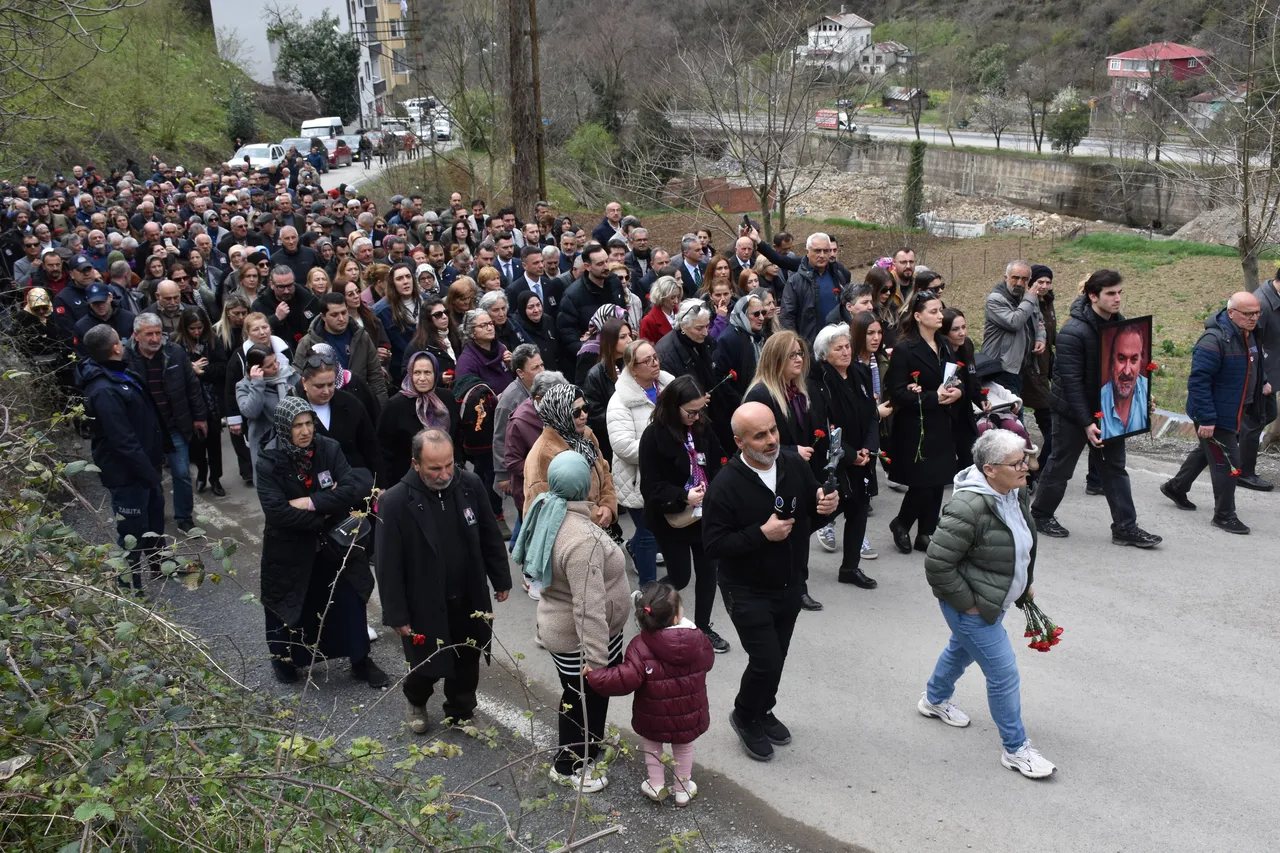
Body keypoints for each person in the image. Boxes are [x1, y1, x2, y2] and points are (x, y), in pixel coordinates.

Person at [703, 402, 838, 762]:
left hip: (790, 583)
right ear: (739, 441)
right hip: (745, 588)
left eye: (773, 431)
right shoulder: (725, 485)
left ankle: (764, 709)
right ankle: (745, 715)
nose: (771, 440)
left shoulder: (793, 464)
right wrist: (761, 534)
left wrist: (827, 507)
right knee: (765, 660)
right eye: (759, 436)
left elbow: (810, 511)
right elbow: (714, 545)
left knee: (778, 657)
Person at [920, 429, 1056, 780]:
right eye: (1017, 463)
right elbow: (937, 564)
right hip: (973, 606)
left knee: (960, 650)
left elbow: (1016, 544)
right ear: (990, 469)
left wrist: (1022, 585)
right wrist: (969, 605)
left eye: (1024, 460)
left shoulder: (1014, 491)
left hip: (993, 598)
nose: (1026, 467)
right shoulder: (967, 507)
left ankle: (933, 699)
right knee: (1003, 675)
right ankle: (1016, 750)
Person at [376, 428, 511, 730]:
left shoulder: (471, 485)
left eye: (449, 465)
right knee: (426, 664)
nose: (444, 474)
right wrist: (396, 613)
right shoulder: (395, 502)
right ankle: (416, 700)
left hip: (468, 597)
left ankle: (461, 710)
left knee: (468, 658)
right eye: (435, 468)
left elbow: (490, 537)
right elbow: (387, 565)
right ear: (416, 464)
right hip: (423, 603)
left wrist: (500, 579)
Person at [513, 451, 631, 793]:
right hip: (584, 640)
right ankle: (571, 764)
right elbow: (588, 607)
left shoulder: (547, 508)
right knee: (582, 698)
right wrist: (597, 663)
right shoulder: (582, 540)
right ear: (585, 486)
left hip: (566, 628)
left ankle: (588, 750)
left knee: (579, 697)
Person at [255, 397, 387, 688]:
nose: (304, 431)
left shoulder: (329, 448)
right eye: (296, 426)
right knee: (287, 605)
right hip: (289, 549)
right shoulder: (269, 461)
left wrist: (311, 502)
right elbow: (277, 512)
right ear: (282, 428)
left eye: (308, 423)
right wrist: (324, 513)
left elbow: (352, 488)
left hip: (335, 543)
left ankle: (360, 659)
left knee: (351, 596)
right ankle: (285, 661)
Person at [1031, 270, 1162, 548]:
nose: (1117, 299)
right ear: (1093, 296)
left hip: (1107, 410)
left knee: (1115, 468)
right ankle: (1041, 515)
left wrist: (1142, 396)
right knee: (1061, 466)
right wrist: (1086, 422)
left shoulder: (1121, 325)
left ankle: (1125, 528)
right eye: (1111, 294)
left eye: (1120, 293)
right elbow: (1071, 383)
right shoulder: (1072, 333)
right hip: (1071, 412)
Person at [587, 583, 714, 806]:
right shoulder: (699, 639)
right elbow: (708, 662)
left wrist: (595, 676)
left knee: (653, 744)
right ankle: (683, 788)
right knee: (683, 746)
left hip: (653, 713)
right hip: (689, 711)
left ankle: (656, 785)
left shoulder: (639, 645)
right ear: (676, 618)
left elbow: (625, 679)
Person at [1162, 292, 1269, 535]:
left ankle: (1176, 487)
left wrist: (1262, 380)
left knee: (1207, 451)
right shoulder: (1212, 340)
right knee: (1229, 463)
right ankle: (1224, 515)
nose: (1254, 318)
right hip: (1216, 414)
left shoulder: (1249, 334)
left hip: (1236, 409)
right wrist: (1208, 419)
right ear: (1231, 313)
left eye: (1257, 313)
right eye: (1248, 314)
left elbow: (1253, 363)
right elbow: (1199, 382)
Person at [639, 375, 730, 652]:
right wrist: (683, 496)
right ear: (673, 406)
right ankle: (647, 603)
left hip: (704, 516)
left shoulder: (702, 427)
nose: (696, 416)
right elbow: (651, 487)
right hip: (672, 519)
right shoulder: (654, 436)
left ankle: (702, 628)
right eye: (690, 411)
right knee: (680, 577)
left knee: (708, 572)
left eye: (700, 410)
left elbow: (720, 459)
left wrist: (717, 484)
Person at [79, 325, 169, 591]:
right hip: (128, 475)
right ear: (116, 347)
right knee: (132, 532)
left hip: (145, 469)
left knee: (154, 521)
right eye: (121, 339)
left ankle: (160, 563)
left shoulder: (119, 374)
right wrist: (147, 472)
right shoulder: (104, 389)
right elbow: (123, 440)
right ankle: (130, 585)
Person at [884, 290, 962, 555]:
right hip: (916, 425)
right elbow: (896, 392)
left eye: (941, 310)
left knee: (938, 480)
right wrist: (932, 397)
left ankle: (926, 532)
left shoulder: (944, 345)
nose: (940, 315)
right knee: (923, 482)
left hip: (943, 420)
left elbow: (953, 377)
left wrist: (957, 391)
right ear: (917, 316)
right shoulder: (906, 349)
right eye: (934, 311)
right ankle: (902, 522)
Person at [808, 323, 879, 589]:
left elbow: (872, 413)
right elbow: (824, 427)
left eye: (848, 346)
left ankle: (850, 567)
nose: (846, 352)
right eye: (839, 348)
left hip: (862, 455)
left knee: (859, 509)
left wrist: (868, 449)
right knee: (821, 514)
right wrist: (850, 455)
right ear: (825, 355)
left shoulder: (859, 373)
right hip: (835, 460)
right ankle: (795, 574)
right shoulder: (818, 384)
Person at [123, 313, 207, 533]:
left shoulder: (175, 353)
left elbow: (192, 387)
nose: (154, 338)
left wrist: (199, 418)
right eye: (148, 334)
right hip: (144, 430)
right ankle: (154, 516)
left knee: (181, 473)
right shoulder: (125, 358)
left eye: (158, 333)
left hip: (174, 425)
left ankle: (184, 518)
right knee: (151, 475)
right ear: (136, 335)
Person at [608, 340, 671, 588]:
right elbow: (623, 446)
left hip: (668, 475)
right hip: (637, 480)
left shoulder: (669, 385)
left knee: (660, 530)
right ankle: (648, 590)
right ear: (632, 369)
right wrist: (663, 449)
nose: (655, 363)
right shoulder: (620, 401)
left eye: (655, 357)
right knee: (649, 534)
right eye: (647, 360)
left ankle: (632, 548)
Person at [524, 383, 618, 531]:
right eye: (576, 412)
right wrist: (595, 515)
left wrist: (607, 505)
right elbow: (548, 507)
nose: (584, 415)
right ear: (559, 414)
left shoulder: (585, 434)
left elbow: (604, 471)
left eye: (585, 408)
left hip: (598, 526)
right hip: (569, 536)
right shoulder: (542, 454)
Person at [378, 350, 458, 487]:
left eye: (427, 372)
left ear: (435, 374)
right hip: (407, 479)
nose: (422, 378)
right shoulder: (395, 405)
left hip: (446, 474)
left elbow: (456, 436)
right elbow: (384, 449)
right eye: (417, 373)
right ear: (410, 374)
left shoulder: (447, 398)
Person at [295, 354, 380, 481]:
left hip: (353, 481)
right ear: (304, 383)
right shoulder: (292, 409)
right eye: (319, 386)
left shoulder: (351, 403)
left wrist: (379, 484)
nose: (326, 391)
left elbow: (370, 447)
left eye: (331, 384)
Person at [293, 291, 388, 401]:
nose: (341, 318)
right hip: (325, 403)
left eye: (344, 312)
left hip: (359, 403)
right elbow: (298, 379)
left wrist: (380, 408)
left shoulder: (362, 337)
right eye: (334, 315)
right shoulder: (308, 343)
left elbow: (375, 377)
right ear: (323, 316)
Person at [174, 307, 228, 497]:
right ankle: (202, 472)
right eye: (192, 329)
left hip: (211, 400)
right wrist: (191, 370)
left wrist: (202, 373)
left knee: (214, 441)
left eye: (199, 328)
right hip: (190, 402)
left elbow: (222, 367)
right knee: (196, 443)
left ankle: (215, 478)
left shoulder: (213, 340)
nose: (197, 332)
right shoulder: (176, 343)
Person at [493, 344, 544, 518]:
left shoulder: (543, 388)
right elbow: (500, 439)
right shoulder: (509, 400)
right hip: (521, 470)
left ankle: (516, 543)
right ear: (520, 373)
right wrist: (502, 476)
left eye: (542, 365)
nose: (541, 370)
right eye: (535, 368)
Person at [981, 261, 1045, 398]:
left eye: (1024, 279)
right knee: (1008, 412)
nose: (1020, 283)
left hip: (1021, 366)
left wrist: (1040, 338)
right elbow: (1014, 322)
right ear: (1006, 278)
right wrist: (1029, 299)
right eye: (1015, 278)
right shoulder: (996, 299)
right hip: (1001, 366)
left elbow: (1039, 321)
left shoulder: (1028, 296)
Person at [1020, 265, 1059, 486]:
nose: (1044, 286)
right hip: (1030, 367)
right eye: (1040, 282)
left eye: (1047, 282)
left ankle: (1039, 467)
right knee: (1052, 423)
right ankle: (1037, 470)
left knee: (1050, 422)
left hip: (1046, 365)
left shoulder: (1048, 302)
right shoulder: (1027, 303)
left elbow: (1051, 333)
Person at [1242, 269, 1280, 490]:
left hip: (1269, 373)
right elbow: (1250, 346)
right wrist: (1262, 379)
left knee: (1267, 414)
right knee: (1255, 419)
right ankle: (1244, 472)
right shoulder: (1262, 305)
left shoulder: (1274, 299)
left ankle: (1232, 454)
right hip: (1258, 375)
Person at [235, 341, 298, 471]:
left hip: (295, 441)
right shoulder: (244, 386)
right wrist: (257, 384)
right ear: (256, 369)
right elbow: (251, 412)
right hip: (266, 447)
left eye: (276, 361)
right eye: (269, 366)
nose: (276, 366)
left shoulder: (290, 375)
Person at [780, 232, 848, 344]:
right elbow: (787, 317)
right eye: (817, 251)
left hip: (836, 344)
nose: (822, 255)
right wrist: (795, 345)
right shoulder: (795, 281)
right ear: (807, 252)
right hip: (809, 347)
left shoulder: (837, 276)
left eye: (826, 251)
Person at [581, 316, 632, 461]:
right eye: (623, 337)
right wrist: (624, 417)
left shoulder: (635, 364)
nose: (629, 340)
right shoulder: (595, 375)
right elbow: (595, 414)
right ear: (611, 341)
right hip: (612, 442)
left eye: (630, 335)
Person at [942, 308, 984, 469]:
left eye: (963, 327)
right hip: (948, 410)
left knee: (970, 454)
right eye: (955, 329)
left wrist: (981, 399)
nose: (962, 333)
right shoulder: (941, 351)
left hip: (965, 409)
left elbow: (973, 375)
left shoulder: (967, 345)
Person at [372, 262, 422, 386]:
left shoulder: (426, 301)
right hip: (400, 373)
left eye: (408, 276)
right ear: (392, 283)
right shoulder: (381, 311)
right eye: (399, 278)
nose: (405, 281)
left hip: (428, 366)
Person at [1099, 324, 1150, 439]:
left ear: (1141, 361)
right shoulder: (1100, 401)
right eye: (1121, 359)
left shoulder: (1147, 392)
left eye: (1133, 360)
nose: (1127, 371)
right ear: (1112, 361)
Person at [253, 265, 321, 347]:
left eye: (290, 285)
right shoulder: (260, 304)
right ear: (272, 285)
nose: (286, 291)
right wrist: (275, 318)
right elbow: (254, 332)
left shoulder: (309, 299)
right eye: (281, 287)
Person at [511, 289, 560, 372]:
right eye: (531, 307)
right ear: (523, 309)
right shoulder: (516, 327)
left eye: (538, 305)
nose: (536, 310)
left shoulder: (548, 320)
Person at [640, 275, 682, 343]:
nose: (676, 301)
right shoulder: (648, 321)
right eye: (672, 297)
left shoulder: (680, 313)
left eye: (678, 297)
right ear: (661, 296)